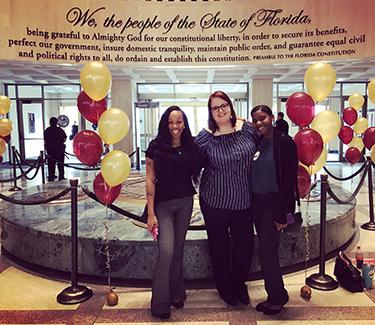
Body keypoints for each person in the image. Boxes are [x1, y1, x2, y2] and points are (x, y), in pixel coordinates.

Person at [195, 91, 259, 306]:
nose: (220, 110)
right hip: (214, 202)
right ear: (211, 113)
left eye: (223, 105)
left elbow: (266, 145)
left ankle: (240, 285)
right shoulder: (205, 137)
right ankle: (224, 287)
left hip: (243, 200)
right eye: (215, 108)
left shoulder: (247, 129)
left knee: (245, 245)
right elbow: (190, 160)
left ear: (231, 107)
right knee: (218, 246)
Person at [145, 106, 197, 319]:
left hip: (185, 203)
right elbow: (149, 179)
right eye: (171, 122)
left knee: (178, 249)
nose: (175, 126)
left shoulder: (190, 145)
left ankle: (177, 293)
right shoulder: (155, 147)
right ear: (165, 124)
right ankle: (159, 302)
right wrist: (150, 213)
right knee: (166, 250)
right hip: (163, 206)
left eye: (179, 122)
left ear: (184, 124)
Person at [250, 105, 298, 315]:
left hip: (274, 204)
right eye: (256, 120)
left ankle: (277, 298)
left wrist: (282, 211)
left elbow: (288, 179)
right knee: (269, 251)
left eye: (263, 118)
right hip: (257, 204)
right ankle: (275, 294)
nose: (259, 123)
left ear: (271, 117)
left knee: (266, 251)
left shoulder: (285, 142)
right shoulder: (257, 142)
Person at [44, 117, 67, 181]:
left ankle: (51, 176)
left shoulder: (47, 130)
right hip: (59, 149)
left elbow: (45, 140)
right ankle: (61, 176)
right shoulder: (60, 130)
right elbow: (64, 138)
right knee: (60, 163)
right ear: (57, 122)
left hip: (50, 149)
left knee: (51, 164)